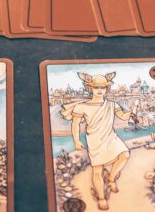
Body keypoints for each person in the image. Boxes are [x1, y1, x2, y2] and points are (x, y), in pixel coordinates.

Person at [60, 72, 132, 210]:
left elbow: (122, 116)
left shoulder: (111, 104)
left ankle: (110, 179)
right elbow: (75, 124)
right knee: (97, 170)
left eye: (103, 87)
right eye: (96, 87)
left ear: (106, 89)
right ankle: (101, 198)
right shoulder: (81, 106)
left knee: (125, 155)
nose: (100, 90)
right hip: (94, 139)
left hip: (110, 136)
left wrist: (129, 113)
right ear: (90, 88)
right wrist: (76, 141)